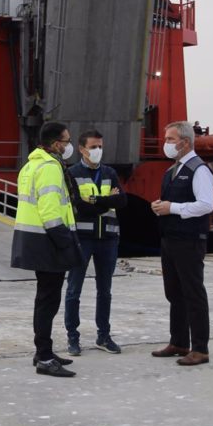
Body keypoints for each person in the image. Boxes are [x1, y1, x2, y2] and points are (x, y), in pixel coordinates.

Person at [11, 121, 84, 377]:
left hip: (33, 240)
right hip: (48, 241)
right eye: (66, 141)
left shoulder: (31, 165)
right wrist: (66, 242)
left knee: (45, 299)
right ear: (56, 144)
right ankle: (44, 357)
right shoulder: (51, 168)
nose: (68, 146)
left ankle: (43, 351)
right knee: (48, 300)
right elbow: (50, 211)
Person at [150, 120, 213, 366]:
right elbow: (174, 203)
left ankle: (200, 348)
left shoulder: (199, 170)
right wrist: (161, 206)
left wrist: (172, 207)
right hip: (171, 238)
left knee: (193, 293)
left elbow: (206, 204)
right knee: (174, 292)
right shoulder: (172, 170)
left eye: (170, 139)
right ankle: (178, 341)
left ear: (185, 142)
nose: (166, 144)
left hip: (189, 240)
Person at [64, 129, 127, 356]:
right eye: (93, 146)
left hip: (108, 238)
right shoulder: (72, 173)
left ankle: (104, 336)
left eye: (100, 146)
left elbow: (122, 201)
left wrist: (95, 200)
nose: (97, 150)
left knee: (105, 291)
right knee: (73, 290)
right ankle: (73, 337)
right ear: (82, 149)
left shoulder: (109, 172)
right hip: (82, 238)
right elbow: (79, 206)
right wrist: (106, 201)